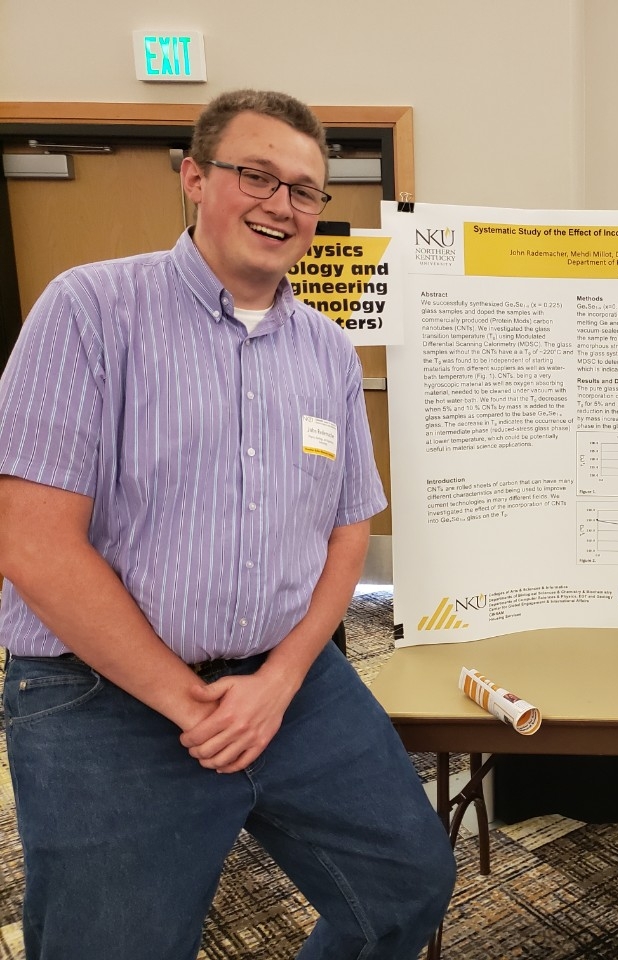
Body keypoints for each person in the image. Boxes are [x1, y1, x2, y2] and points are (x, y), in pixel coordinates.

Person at [0, 89, 455, 959]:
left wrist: (278, 683)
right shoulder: (90, 310)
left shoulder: (325, 348)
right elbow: (30, 542)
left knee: (406, 884)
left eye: (305, 190)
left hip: (291, 682)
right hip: (103, 696)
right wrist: (195, 703)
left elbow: (347, 533)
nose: (282, 204)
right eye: (257, 175)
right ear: (196, 179)